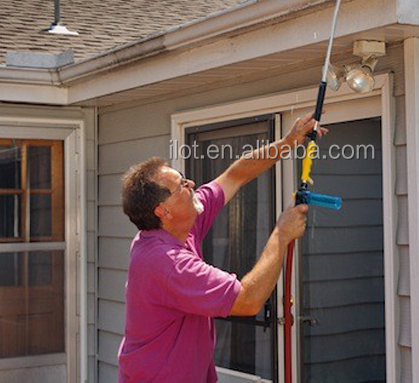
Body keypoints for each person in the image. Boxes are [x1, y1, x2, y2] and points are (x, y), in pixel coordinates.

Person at [117, 113, 325, 382]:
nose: (191, 184)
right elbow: (248, 301)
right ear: (163, 211)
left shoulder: (179, 226)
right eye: (181, 185)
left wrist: (288, 142)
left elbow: (234, 176)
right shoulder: (166, 263)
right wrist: (280, 235)